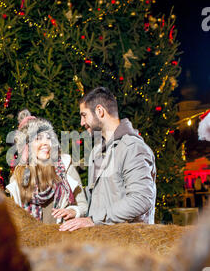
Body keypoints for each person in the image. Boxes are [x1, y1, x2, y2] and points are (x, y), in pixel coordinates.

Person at [60, 87, 157, 232]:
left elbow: (141, 199)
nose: (81, 123)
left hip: (130, 246)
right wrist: (76, 211)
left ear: (100, 111)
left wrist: (93, 220)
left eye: (84, 115)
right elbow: (99, 198)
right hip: (105, 244)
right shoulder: (96, 152)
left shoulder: (132, 147)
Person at [6, 109, 88, 224]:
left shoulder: (65, 166)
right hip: (33, 239)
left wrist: (73, 211)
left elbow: (83, 205)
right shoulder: (19, 175)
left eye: (48, 137)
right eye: (38, 138)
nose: (45, 143)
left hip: (63, 237)